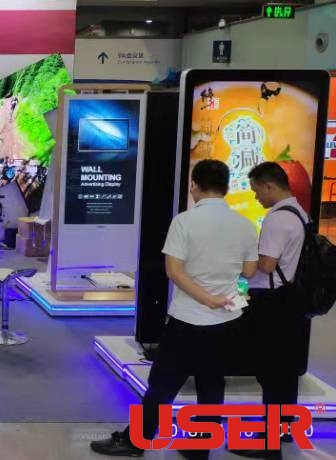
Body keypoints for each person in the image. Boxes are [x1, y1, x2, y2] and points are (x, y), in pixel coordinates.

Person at [91, 159, 258, 458]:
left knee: (163, 384)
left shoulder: (184, 221)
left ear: (194, 185)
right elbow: (248, 271)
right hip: (227, 319)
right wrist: (221, 294)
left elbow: (174, 271)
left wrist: (206, 298)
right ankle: (200, 447)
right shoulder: (244, 224)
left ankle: (136, 441)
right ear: (226, 187)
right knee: (211, 383)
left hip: (187, 319)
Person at [229, 162, 312, 459]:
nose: (255, 197)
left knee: (271, 370)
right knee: (286, 369)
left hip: (271, 302)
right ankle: (283, 428)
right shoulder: (300, 213)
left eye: (256, 191)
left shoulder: (277, 219)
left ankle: (269, 442)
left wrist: (239, 262)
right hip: (291, 300)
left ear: (269, 186)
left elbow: (265, 265)